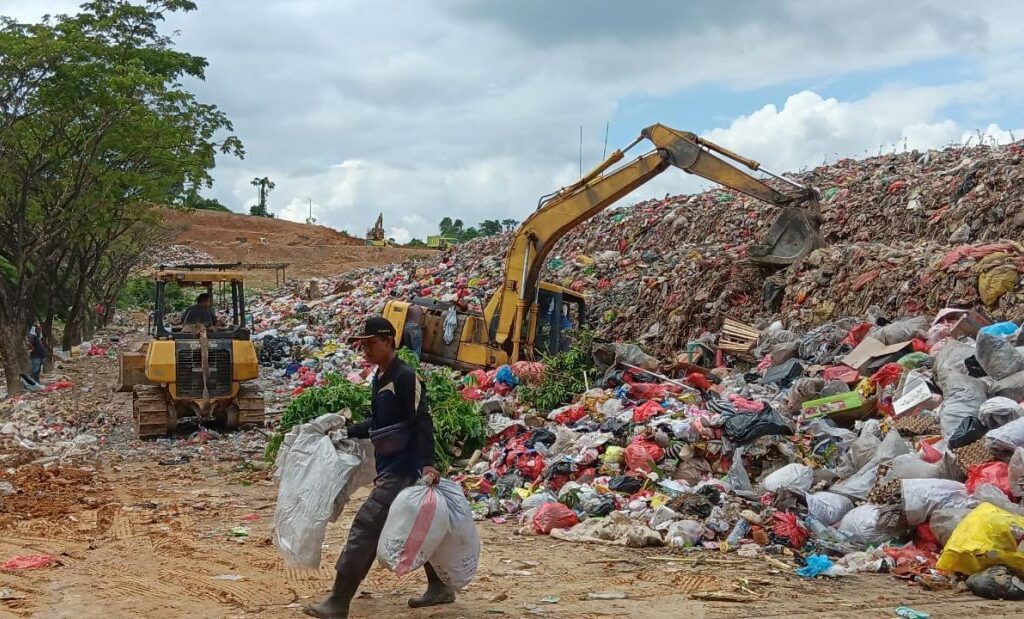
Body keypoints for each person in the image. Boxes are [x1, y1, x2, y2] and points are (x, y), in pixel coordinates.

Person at [304, 316, 450, 619]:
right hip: (390, 466)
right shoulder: (380, 377)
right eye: (363, 344)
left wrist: (428, 464)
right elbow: (380, 423)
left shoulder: (406, 377)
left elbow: (422, 420)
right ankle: (440, 586)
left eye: (371, 343)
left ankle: (338, 601)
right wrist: (347, 432)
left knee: (366, 526)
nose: (366, 350)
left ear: (389, 341)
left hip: (405, 469)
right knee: (413, 527)